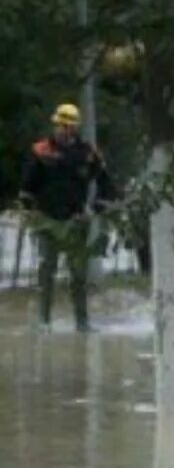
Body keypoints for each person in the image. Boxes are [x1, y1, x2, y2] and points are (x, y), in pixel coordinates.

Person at [20, 101, 116, 331]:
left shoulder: (87, 153)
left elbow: (106, 184)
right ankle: (44, 321)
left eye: (68, 125)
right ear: (55, 125)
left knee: (78, 276)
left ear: (75, 127)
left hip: (76, 221)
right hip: (46, 221)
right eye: (60, 125)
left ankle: (82, 323)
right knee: (46, 271)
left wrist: (94, 209)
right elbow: (27, 188)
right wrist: (29, 212)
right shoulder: (41, 151)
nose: (63, 129)